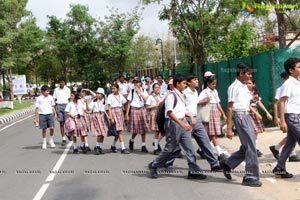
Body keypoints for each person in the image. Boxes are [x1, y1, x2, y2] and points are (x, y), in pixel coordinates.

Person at [148, 74, 206, 180]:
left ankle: (193, 171)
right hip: (174, 124)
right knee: (170, 148)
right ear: (177, 84)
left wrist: (190, 117)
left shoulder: (181, 95)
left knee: (189, 148)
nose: (185, 85)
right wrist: (182, 123)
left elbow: (182, 110)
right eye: (184, 83)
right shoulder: (171, 96)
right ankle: (154, 165)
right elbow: (169, 113)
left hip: (182, 122)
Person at [223, 62, 262, 187]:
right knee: (251, 146)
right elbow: (230, 107)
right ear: (241, 73)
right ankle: (250, 176)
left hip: (246, 115)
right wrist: (229, 128)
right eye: (248, 74)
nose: (250, 77)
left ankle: (228, 163)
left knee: (247, 146)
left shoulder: (244, 86)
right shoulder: (233, 87)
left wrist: (253, 100)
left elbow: (244, 101)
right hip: (239, 116)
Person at [273, 58, 300, 178]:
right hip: (292, 116)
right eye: (299, 67)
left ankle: (279, 168)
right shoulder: (288, 84)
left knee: (290, 143)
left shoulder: (297, 81)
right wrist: (282, 121)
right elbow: (281, 102)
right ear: (291, 70)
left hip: (297, 115)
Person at [269, 72, 300, 162]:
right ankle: (291, 154)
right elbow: (277, 103)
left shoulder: (297, 85)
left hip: (296, 114)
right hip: (290, 115)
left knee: (291, 138)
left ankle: (280, 164)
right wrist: (277, 117)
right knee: (293, 136)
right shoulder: (283, 87)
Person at [198, 72, 227, 160]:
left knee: (212, 133)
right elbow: (198, 102)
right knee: (212, 133)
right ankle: (219, 153)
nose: (214, 85)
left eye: (215, 84)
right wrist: (205, 100)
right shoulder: (205, 92)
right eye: (212, 84)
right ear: (208, 83)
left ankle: (201, 149)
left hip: (215, 112)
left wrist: (223, 113)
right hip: (208, 112)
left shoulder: (215, 91)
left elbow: (218, 103)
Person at [246, 78, 273, 157]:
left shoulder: (255, 93)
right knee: (252, 130)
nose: (248, 85)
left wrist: (267, 112)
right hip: (248, 112)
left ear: (254, 84)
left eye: (250, 83)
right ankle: (251, 148)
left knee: (256, 131)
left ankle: (254, 148)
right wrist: (256, 114)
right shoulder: (244, 93)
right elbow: (247, 104)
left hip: (255, 111)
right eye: (247, 83)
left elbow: (259, 103)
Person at [125, 77, 150, 152]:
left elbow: (146, 100)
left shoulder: (143, 90)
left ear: (141, 83)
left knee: (143, 128)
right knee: (135, 128)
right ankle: (131, 140)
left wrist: (139, 92)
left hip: (142, 109)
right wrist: (127, 114)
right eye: (135, 82)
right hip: (134, 109)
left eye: (138, 82)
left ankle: (143, 145)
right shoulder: (132, 91)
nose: (136, 84)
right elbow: (129, 103)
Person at [107, 84, 130, 154]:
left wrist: (126, 114)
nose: (113, 90)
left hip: (120, 113)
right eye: (112, 89)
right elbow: (109, 107)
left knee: (119, 131)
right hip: (114, 113)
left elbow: (125, 103)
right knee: (119, 131)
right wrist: (111, 118)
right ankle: (123, 148)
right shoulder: (110, 96)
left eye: (114, 88)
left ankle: (113, 145)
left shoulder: (121, 96)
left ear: (117, 89)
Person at [34, 85, 57, 150]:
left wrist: (55, 113)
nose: (48, 92)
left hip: (50, 114)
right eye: (47, 91)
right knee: (44, 129)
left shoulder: (50, 97)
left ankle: (51, 140)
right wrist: (36, 118)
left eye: (48, 91)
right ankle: (44, 142)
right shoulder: (39, 98)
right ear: (42, 92)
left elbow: (53, 106)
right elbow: (36, 108)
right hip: (42, 115)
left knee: (52, 128)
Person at [88, 88, 108, 155]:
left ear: (102, 95)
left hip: (103, 116)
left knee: (103, 134)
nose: (97, 94)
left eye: (99, 93)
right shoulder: (94, 101)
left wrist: (110, 117)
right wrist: (86, 103)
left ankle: (100, 147)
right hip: (96, 117)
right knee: (99, 133)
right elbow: (89, 108)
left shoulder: (105, 101)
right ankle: (97, 146)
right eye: (97, 93)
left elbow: (107, 109)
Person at [146, 83, 164, 155]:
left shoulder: (162, 96)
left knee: (163, 131)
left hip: (161, 114)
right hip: (155, 113)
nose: (157, 89)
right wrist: (156, 105)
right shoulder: (151, 97)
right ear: (153, 89)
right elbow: (147, 107)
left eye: (158, 87)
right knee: (157, 131)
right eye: (156, 87)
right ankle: (156, 148)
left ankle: (156, 142)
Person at [53, 77, 71, 145]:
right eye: (60, 82)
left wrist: (70, 107)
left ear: (65, 82)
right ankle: (63, 138)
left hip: (66, 106)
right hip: (59, 106)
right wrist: (54, 110)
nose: (61, 83)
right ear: (59, 83)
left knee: (67, 122)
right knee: (61, 123)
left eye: (63, 82)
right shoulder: (56, 90)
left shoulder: (68, 89)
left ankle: (68, 133)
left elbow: (69, 99)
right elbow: (54, 99)